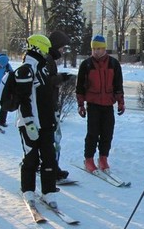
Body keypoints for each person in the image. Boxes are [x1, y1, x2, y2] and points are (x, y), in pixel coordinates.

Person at [17, 34, 59, 208]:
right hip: (31, 124)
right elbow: (23, 98)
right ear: (37, 47)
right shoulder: (26, 69)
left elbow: (46, 95)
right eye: (45, 49)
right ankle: (28, 190)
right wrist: (28, 121)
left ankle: (48, 192)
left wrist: (54, 115)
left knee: (49, 159)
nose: (47, 52)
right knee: (31, 158)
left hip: (47, 123)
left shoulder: (42, 68)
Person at [76, 35, 125, 172]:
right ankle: (89, 159)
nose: (96, 51)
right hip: (93, 104)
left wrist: (120, 102)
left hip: (108, 104)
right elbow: (80, 87)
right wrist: (80, 104)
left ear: (104, 49)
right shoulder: (86, 65)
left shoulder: (113, 64)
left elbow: (118, 85)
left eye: (99, 48)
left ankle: (103, 158)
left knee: (107, 132)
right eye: (93, 48)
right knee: (92, 133)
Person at [46, 30, 74, 184]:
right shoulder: (48, 59)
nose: (63, 51)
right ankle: (52, 169)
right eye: (62, 47)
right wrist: (61, 78)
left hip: (51, 105)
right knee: (52, 140)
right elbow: (46, 82)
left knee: (53, 140)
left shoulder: (50, 59)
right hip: (48, 107)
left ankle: (52, 167)